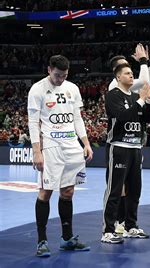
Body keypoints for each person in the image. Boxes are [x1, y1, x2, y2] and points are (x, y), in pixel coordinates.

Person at [28, 55, 93, 257]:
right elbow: (33, 122)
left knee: (68, 192)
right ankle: (42, 241)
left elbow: (77, 118)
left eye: (64, 76)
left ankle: (67, 238)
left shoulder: (72, 88)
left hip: (71, 146)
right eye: (57, 75)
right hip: (51, 147)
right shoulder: (37, 89)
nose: (60, 79)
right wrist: (37, 151)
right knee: (46, 192)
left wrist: (86, 143)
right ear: (49, 70)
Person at [102, 64, 150, 243]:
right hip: (118, 147)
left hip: (135, 148)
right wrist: (141, 100)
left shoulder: (135, 96)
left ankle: (131, 226)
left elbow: (148, 119)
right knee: (115, 190)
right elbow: (123, 116)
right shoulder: (112, 95)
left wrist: (148, 101)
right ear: (118, 77)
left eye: (132, 73)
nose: (131, 76)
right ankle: (108, 231)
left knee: (135, 191)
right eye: (127, 73)